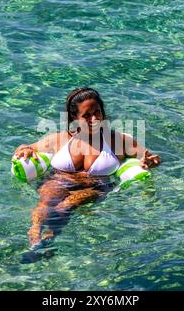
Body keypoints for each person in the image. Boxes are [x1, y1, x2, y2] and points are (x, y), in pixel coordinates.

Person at [13, 87, 161, 250]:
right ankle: (34, 237)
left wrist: (151, 162)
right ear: (74, 118)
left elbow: (149, 157)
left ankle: (50, 237)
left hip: (96, 186)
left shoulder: (117, 140)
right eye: (87, 115)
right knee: (47, 200)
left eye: (97, 112)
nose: (94, 119)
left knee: (68, 204)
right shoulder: (61, 139)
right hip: (59, 180)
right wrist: (25, 149)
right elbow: (27, 147)